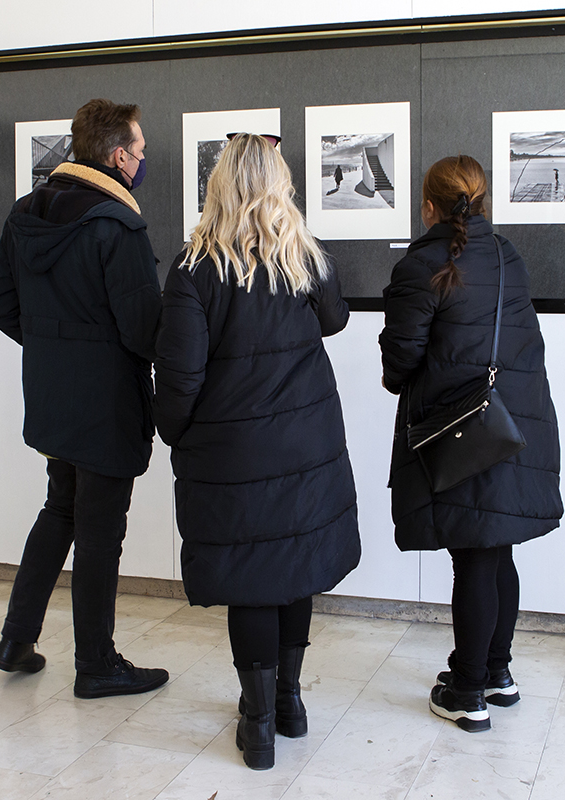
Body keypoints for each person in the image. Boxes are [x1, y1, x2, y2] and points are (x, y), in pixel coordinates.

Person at [153, 134, 361, 770]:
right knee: (295, 564)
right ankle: (291, 701)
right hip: (306, 442)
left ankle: (260, 722)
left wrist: (174, 433)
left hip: (233, 449)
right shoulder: (303, 257)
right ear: (278, 185)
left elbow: (180, 377)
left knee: (253, 579)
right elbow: (336, 320)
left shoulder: (194, 269)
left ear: (219, 186)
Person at [0, 98, 169, 700]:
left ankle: (17, 639)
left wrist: (56, 350)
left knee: (60, 510)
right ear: (118, 156)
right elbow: (146, 330)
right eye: (139, 152)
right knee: (98, 532)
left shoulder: (24, 214)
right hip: (107, 403)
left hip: (50, 398)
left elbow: (4, 308)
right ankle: (95, 663)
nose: (142, 162)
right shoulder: (118, 225)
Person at [379, 155, 562, 733]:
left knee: (476, 557)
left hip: (464, 430)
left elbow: (399, 360)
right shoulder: (508, 257)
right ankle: (495, 673)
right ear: (480, 202)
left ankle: (467, 690)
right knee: (496, 550)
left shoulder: (423, 265)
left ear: (428, 205)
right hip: (513, 424)